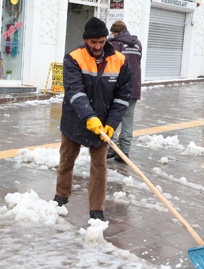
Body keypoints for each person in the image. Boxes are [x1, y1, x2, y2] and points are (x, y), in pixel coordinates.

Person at [52, 17, 133, 221]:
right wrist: (88, 116)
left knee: (100, 167)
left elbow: (123, 97)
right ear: (85, 40)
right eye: (93, 42)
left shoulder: (120, 61)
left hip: (104, 123)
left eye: (102, 41)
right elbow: (74, 89)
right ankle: (61, 197)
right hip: (74, 120)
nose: (98, 46)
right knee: (66, 160)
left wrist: (111, 125)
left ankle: (97, 210)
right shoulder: (73, 58)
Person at [107, 20, 143, 163]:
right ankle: (124, 152)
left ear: (116, 32)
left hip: (120, 87)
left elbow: (113, 66)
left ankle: (113, 147)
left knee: (112, 117)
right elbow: (137, 63)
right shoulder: (137, 43)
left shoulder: (115, 44)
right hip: (134, 86)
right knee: (128, 121)